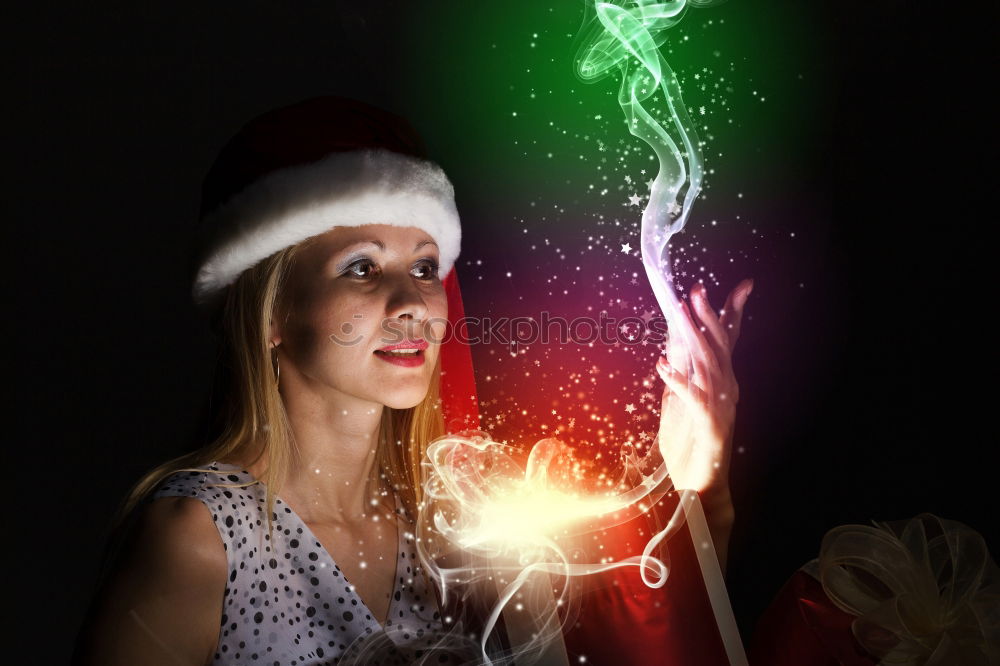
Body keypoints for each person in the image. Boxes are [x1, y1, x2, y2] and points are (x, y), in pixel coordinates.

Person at [72, 95, 753, 665]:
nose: (412, 304)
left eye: (424, 268)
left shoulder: (455, 528)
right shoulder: (202, 536)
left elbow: (645, 628)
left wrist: (702, 477)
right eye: (362, 268)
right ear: (273, 312)